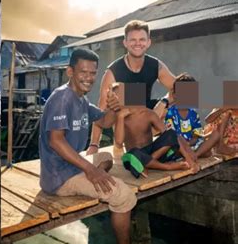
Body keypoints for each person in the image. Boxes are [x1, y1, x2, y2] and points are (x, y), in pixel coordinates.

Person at [39, 48, 136, 244]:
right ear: (70, 72)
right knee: (125, 196)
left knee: (106, 156)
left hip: (72, 167)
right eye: (83, 72)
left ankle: (93, 183)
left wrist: (112, 106)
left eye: (93, 73)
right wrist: (90, 170)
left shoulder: (82, 100)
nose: (89, 78)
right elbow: (56, 141)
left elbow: (105, 121)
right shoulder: (62, 98)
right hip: (60, 178)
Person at [89, 20, 176, 155]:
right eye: (133, 40)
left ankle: (165, 139)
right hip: (125, 121)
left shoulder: (155, 65)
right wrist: (94, 144)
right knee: (122, 97)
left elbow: (182, 89)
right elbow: (101, 110)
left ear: (148, 42)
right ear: (125, 43)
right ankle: (120, 146)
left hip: (146, 116)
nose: (137, 43)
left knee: (174, 99)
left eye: (142, 39)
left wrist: (165, 101)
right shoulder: (113, 71)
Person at [112, 83, 198, 177]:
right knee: (130, 156)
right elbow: (119, 142)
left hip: (155, 154)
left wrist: (189, 159)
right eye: (115, 98)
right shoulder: (119, 117)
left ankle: (148, 163)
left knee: (172, 133)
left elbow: (171, 135)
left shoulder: (148, 113)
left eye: (120, 96)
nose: (117, 100)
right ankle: (167, 167)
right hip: (136, 156)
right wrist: (120, 117)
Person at [164, 73, 237, 158]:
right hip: (177, 146)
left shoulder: (193, 114)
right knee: (173, 149)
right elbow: (172, 136)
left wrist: (191, 143)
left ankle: (195, 155)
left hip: (191, 144)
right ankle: (192, 154)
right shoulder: (170, 113)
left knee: (212, 140)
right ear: (174, 95)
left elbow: (196, 135)